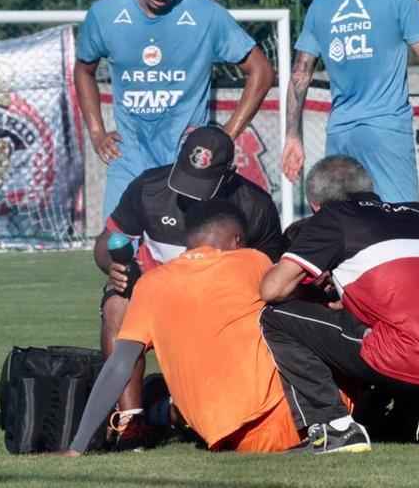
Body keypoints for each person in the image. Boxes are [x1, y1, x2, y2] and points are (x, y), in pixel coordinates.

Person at [258, 156, 419, 453]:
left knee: (275, 317)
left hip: (408, 354)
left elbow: (272, 289)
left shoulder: (333, 219)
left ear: (315, 205)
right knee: (394, 324)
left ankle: (334, 427)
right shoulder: (416, 217)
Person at [92, 126, 285, 447]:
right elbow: (106, 240)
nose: (191, 194)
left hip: (227, 310)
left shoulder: (256, 205)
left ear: (229, 174)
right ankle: (130, 422)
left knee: (201, 420)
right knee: (116, 302)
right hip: (161, 299)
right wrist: (111, 266)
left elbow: (272, 277)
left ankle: (167, 410)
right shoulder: (148, 187)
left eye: (203, 184)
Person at [66, 202, 304, 456]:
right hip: (289, 419)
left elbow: (119, 365)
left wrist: (76, 447)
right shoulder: (253, 260)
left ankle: (158, 408)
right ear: (238, 240)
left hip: (221, 434)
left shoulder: (151, 284)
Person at [75, 0, 274, 222]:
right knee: (114, 249)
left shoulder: (206, 14)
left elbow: (261, 71)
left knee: (185, 256)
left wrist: (225, 137)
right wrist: (96, 131)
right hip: (128, 156)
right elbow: (83, 69)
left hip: (188, 162)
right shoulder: (104, 14)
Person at [281, 0, 419, 202]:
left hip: (340, 133)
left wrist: (292, 135)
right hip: (385, 128)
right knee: (400, 224)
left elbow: (300, 72)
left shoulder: (321, 4)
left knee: (347, 224)